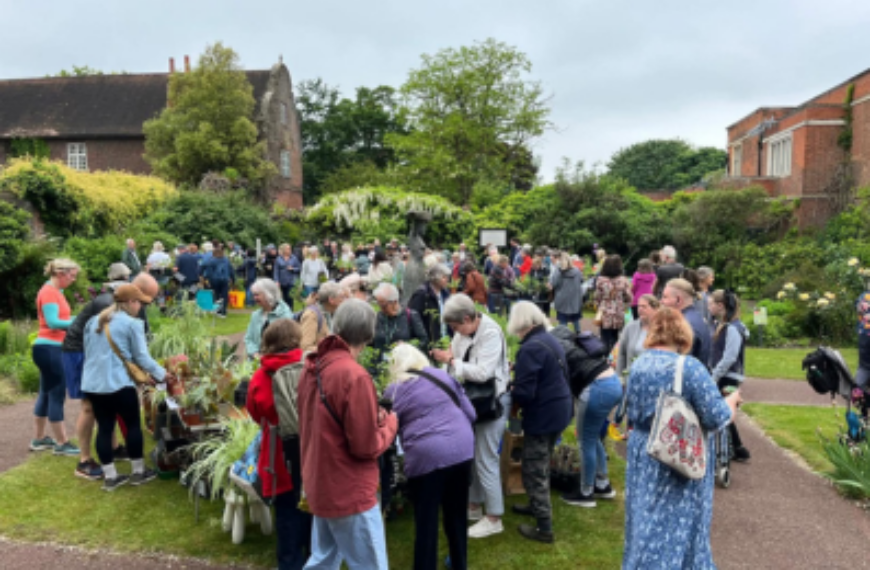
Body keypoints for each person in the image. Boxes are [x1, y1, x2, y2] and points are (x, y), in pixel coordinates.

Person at [622, 308, 741, 569]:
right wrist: (732, 401)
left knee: (644, 518)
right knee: (677, 523)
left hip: (643, 450)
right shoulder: (689, 368)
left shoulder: (639, 364)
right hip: (675, 453)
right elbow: (717, 417)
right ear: (683, 334)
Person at [298, 299, 398, 568]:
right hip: (348, 489)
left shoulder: (313, 366)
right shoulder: (354, 375)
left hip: (320, 481)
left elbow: (322, 422)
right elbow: (366, 446)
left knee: (323, 560)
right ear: (368, 334)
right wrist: (390, 424)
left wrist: (370, 416)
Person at [384, 344, 476, 570]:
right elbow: (471, 414)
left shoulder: (394, 391)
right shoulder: (443, 376)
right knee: (457, 515)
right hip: (461, 449)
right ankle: (459, 563)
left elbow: (388, 432)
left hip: (426, 457)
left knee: (426, 520)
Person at [431, 294, 510, 539]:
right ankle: (473, 505)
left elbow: (483, 372)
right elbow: (453, 365)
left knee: (486, 458)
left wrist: (451, 360)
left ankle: (494, 517)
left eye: (456, 327)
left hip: (492, 402)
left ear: (467, 318)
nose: (454, 332)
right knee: (472, 454)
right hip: (473, 401)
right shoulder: (463, 332)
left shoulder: (490, 333)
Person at [82, 284, 169, 491]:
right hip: (119, 383)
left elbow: (88, 351)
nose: (140, 307)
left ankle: (111, 477)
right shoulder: (132, 324)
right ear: (130, 302)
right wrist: (163, 374)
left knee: (104, 428)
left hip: (94, 384)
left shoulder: (93, 321)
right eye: (139, 303)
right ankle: (138, 472)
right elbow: (141, 357)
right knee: (132, 426)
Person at [505, 302, 573, 543]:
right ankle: (536, 506)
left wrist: (512, 388)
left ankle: (544, 528)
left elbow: (525, 393)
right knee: (541, 460)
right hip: (559, 409)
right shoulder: (548, 338)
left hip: (544, 414)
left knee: (534, 468)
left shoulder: (531, 347)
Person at [246, 319, 312, 569]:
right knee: (314, 518)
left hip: (278, 456)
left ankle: (290, 563)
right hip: (311, 451)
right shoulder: (310, 367)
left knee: (286, 519)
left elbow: (255, 414)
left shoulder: (261, 376)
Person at [62, 263, 133, 479]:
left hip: (89, 352)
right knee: (89, 406)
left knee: (106, 399)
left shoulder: (114, 301)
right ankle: (84, 461)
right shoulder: (106, 303)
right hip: (77, 352)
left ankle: (113, 447)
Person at [31, 258, 81, 457]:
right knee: (56, 394)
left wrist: (78, 318)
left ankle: (39, 439)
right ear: (60, 274)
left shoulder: (56, 291)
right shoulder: (49, 292)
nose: (73, 279)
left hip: (47, 349)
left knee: (45, 393)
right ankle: (62, 443)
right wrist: (79, 323)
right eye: (72, 276)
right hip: (51, 349)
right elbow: (53, 322)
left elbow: (63, 319)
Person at [708, 289, 751, 462]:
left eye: (711, 303)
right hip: (728, 375)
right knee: (725, 410)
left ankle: (737, 448)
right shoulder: (726, 326)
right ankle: (737, 448)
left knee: (724, 411)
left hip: (728, 376)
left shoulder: (732, 329)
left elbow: (730, 357)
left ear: (720, 306)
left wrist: (714, 376)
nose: (708, 306)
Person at [662, 278, 711, 367]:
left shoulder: (682, 325)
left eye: (665, 297)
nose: (661, 302)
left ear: (678, 300)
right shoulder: (697, 318)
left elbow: (678, 364)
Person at [372, 283, 428, 359]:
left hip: (403, 362)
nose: (381, 309)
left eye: (384, 306)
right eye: (379, 304)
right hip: (379, 363)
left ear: (394, 302)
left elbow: (424, 340)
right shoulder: (377, 317)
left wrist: (407, 346)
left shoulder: (410, 316)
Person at [244, 278, 294, 359]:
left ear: (268, 294)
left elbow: (287, 344)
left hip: (278, 360)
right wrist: (255, 354)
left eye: (257, 295)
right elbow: (248, 339)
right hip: (256, 360)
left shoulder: (285, 316)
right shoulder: (256, 315)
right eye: (253, 295)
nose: (254, 298)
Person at [595, 255, 633, 354]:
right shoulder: (623, 280)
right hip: (618, 311)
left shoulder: (600, 280)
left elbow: (597, 297)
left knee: (604, 337)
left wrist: (599, 305)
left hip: (604, 311)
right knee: (615, 337)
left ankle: (604, 356)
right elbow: (629, 296)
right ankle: (614, 356)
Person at [616, 294, 661, 377]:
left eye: (644, 307)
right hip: (631, 376)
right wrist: (620, 376)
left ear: (655, 309)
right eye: (639, 306)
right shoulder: (630, 327)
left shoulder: (663, 328)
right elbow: (621, 354)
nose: (640, 309)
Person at [409, 264, 452, 348]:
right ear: (435, 278)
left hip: (444, 339)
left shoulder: (445, 293)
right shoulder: (422, 294)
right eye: (444, 277)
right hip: (430, 341)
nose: (447, 280)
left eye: (447, 277)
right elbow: (414, 319)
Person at [299, 281, 348, 354]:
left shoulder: (332, 313)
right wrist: (332, 350)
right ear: (331, 300)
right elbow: (305, 347)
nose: (345, 300)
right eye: (342, 297)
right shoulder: (311, 315)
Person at [550, 253, 584, 333]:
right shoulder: (577, 271)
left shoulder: (558, 272)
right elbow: (581, 280)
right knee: (576, 320)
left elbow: (554, 283)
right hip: (574, 299)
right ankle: (578, 335)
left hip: (562, 299)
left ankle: (564, 337)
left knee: (563, 322)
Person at [201, 245, 234, 317]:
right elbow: (231, 270)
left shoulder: (211, 261)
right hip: (225, 279)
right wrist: (233, 279)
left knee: (216, 295)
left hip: (214, 280)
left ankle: (218, 310)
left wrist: (207, 279)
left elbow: (209, 272)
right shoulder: (226, 260)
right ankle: (223, 311)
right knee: (224, 295)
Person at [274, 243, 301, 308]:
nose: (290, 250)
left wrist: (293, 269)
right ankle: (285, 311)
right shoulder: (278, 259)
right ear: (284, 250)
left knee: (290, 298)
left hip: (292, 282)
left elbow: (299, 268)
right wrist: (276, 281)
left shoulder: (294, 258)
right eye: (288, 249)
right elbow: (276, 271)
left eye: (290, 248)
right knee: (284, 298)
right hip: (282, 281)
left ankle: (290, 311)